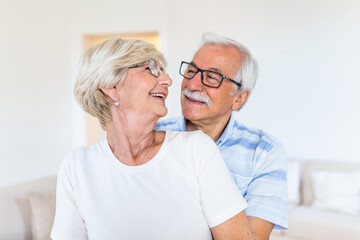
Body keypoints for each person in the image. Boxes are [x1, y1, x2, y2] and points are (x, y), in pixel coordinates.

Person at [51, 37, 254, 240]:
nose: (168, 81)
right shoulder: (77, 167)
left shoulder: (197, 149)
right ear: (111, 86)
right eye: (150, 69)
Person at [155, 32, 288, 239]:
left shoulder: (264, 152)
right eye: (191, 71)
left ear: (239, 98)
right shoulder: (153, 133)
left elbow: (252, 237)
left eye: (211, 77)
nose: (192, 85)